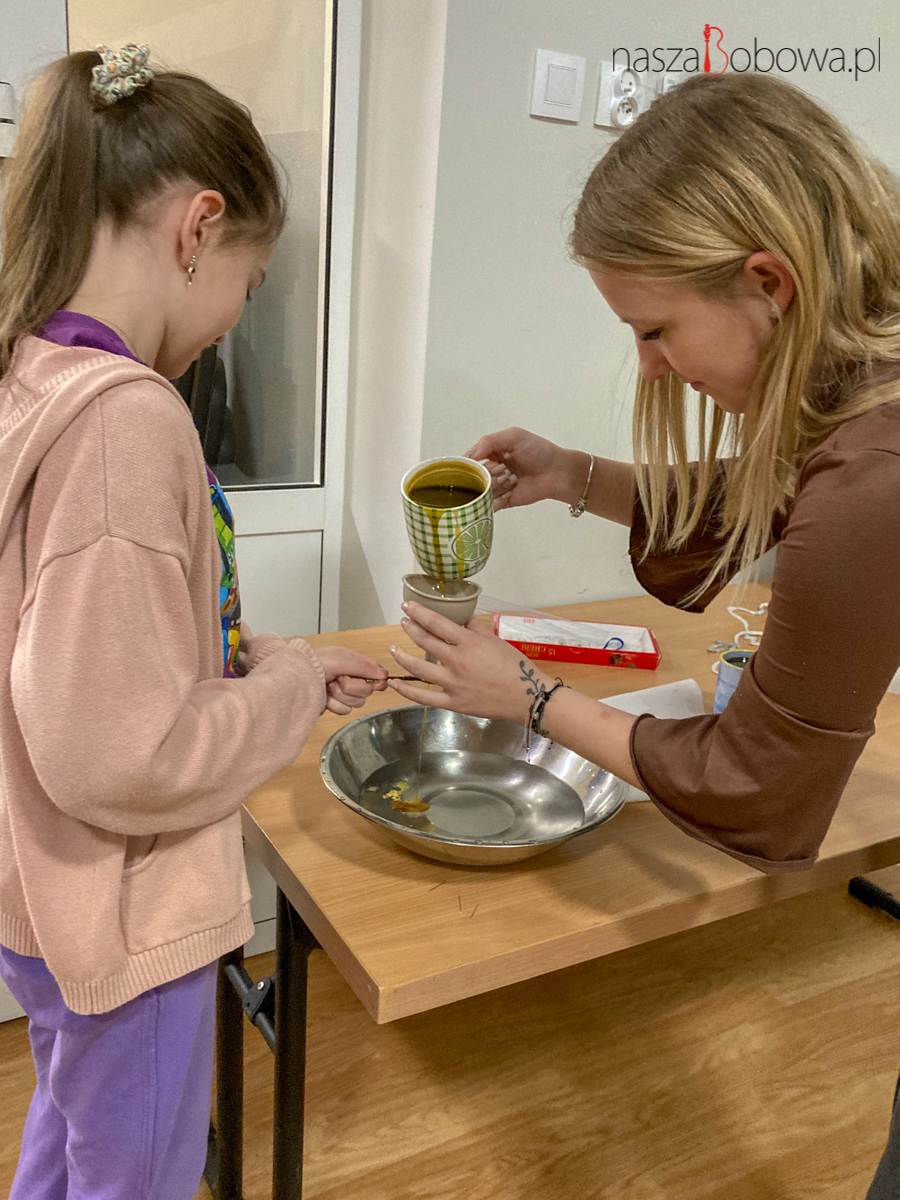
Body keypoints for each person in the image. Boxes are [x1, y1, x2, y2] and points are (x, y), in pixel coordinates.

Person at [386, 72, 900, 1196]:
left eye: (656, 329)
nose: (653, 365)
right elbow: (768, 491)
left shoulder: (877, 474)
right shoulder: (862, 400)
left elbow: (758, 783)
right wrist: (573, 475)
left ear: (768, 281)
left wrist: (528, 698)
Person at [0, 45, 388, 1200]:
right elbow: (121, 750)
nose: (230, 324)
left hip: (43, 897)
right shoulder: (126, 424)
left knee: (69, 1135)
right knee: (137, 1178)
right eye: (250, 285)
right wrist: (284, 697)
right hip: (126, 918)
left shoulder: (34, 378)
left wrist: (273, 661)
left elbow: (84, 650)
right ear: (198, 227)